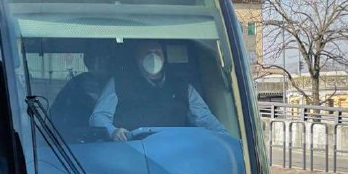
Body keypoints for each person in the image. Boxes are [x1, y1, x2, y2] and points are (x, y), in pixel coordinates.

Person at [90, 39, 228, 141]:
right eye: (147, 53)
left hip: (176, 154)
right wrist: (113, 132)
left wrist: (226, 138)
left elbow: (204, 118)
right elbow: (98, 116)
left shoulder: (183, 87)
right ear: (137, 58)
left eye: (157, 52)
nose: (153, 57)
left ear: (164, 57)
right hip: (131, 153)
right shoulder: (119, 83)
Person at [50, 43, 111, 139]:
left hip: (117, 144)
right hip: (72, 147)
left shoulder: (122, 86)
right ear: (86, 60)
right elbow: (56, 119)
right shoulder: (75, 85)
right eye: (92, 58)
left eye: (102, 57)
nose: (96, 64)